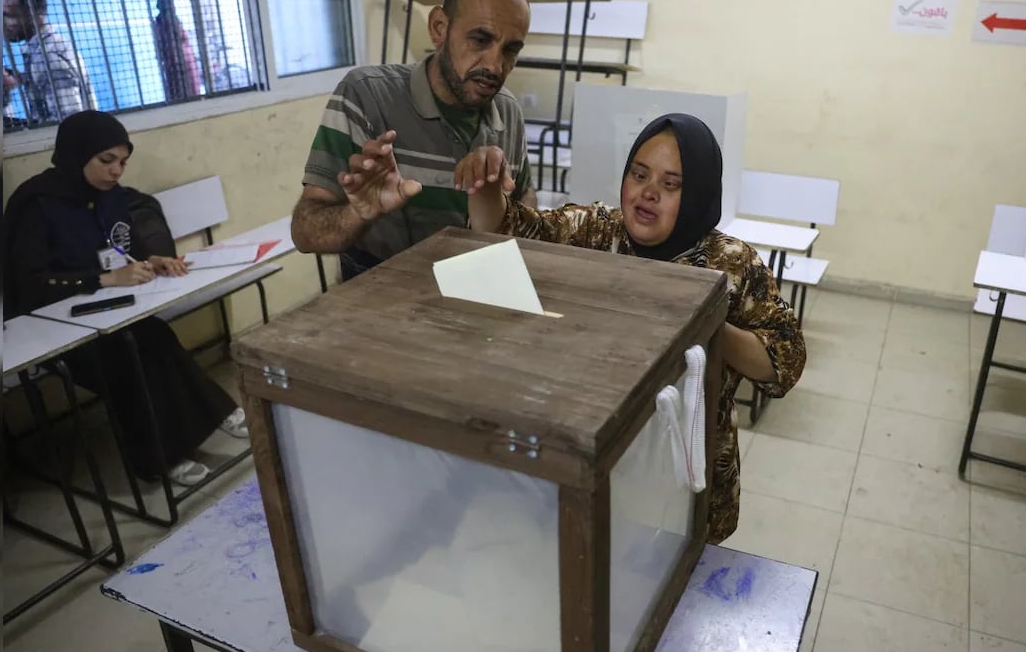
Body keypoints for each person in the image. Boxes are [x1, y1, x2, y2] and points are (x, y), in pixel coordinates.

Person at [345, 112, 807, 544]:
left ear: (701, 194)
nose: (647, 193)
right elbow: (507, 230)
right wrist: (485, 189)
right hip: (598, 453)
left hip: (684, 470)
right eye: (639, 174)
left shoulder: (732, 264)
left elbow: (783, 360)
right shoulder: (594, 231)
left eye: (671, 185)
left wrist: (705, 322)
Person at [3, 110, 248, 487]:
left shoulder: (110, 197)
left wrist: (151, 260)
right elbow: (28, 283)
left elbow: (118, 247)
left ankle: (214, 418)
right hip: (48, 326)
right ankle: (159, 460)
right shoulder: (35, 203)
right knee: (128, 357)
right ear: (76, 153)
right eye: (107, 160)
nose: (117, 171)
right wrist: (106, 278)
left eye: (122, 162)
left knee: (154, 336)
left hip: (105, 312)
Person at [290, 0, 538, 282]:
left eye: (511, 50)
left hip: (479, 294)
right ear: (439, 28)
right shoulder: (366, 96)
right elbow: (305, 233)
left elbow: (526, 200)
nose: (494, 65)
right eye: (480, 40)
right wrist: (358, 213)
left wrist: (498, 200)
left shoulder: (509, 112)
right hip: (382, 303)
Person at [2, 0, 95, 125]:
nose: (3, 22)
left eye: (9, 15)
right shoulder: (48, 46)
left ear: (35, 16)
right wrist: (19, 78)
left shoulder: (47, 58)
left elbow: (70, 125)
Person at [152, 0, 202, 102]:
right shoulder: (172, 19)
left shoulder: (158, 22)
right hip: (183, 58)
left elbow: (159, 44)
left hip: (171, 60)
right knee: (190, 88)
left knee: (176, 90)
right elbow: (183, 36)